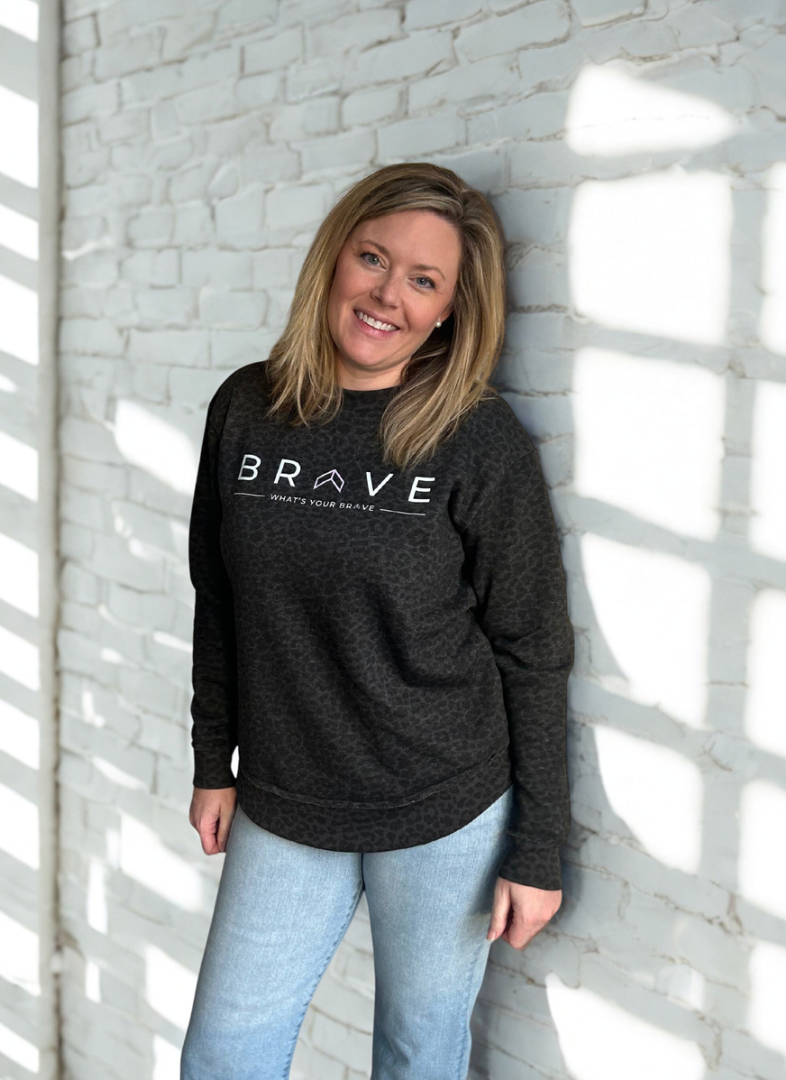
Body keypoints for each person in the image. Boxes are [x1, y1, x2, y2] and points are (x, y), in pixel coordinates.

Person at [180, 161, 574, 1080]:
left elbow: (532, 648)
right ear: (334, 259)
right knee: (222, 1056)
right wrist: (214, 756)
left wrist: (539, 847)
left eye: (423, 281)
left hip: (447, 809)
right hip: (285, 797)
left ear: (448, 311)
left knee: (416, 1058)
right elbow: (220, 594)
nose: (387, 294)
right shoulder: (248, 407)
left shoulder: (477, 438)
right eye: (372, 258)